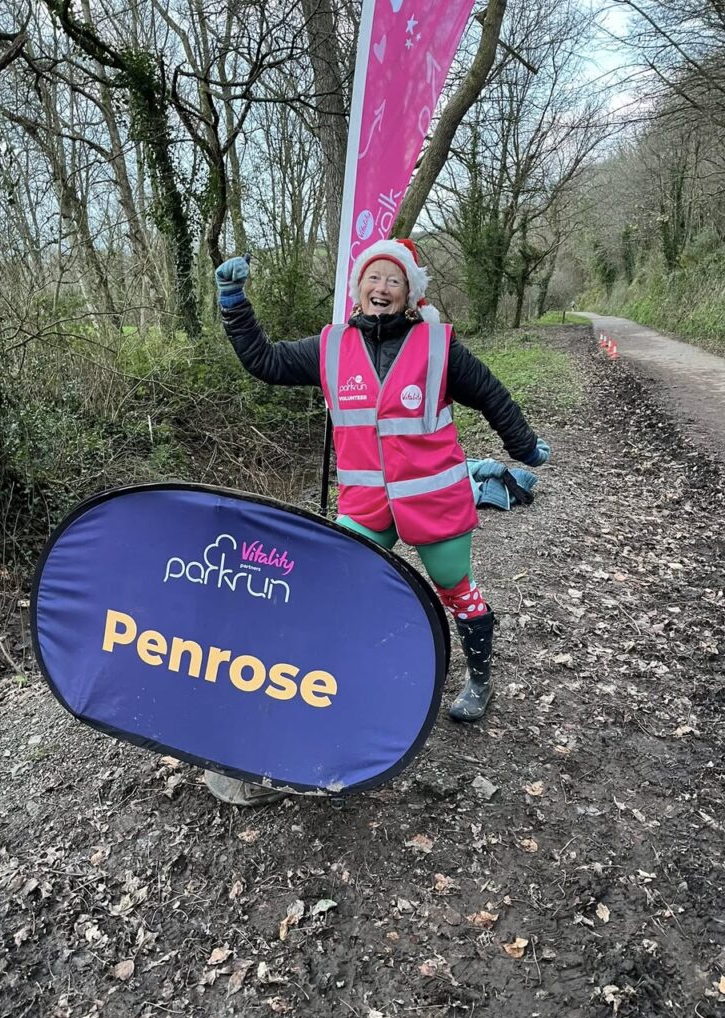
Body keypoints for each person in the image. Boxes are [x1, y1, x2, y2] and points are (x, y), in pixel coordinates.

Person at [215, 238, 550, 725]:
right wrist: (234, 304)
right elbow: (264, 361)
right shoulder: (329, 347)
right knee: (336, 588)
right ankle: (345, 680)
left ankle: (479, 682)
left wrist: (523, 446)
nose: (382, 286)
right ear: (358, 289)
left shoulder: (438, 346)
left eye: (394, 280)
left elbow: (491, 394)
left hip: (435, 501)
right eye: (373, 277)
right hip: (367, 504)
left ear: (409, 294)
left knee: (458, 591)